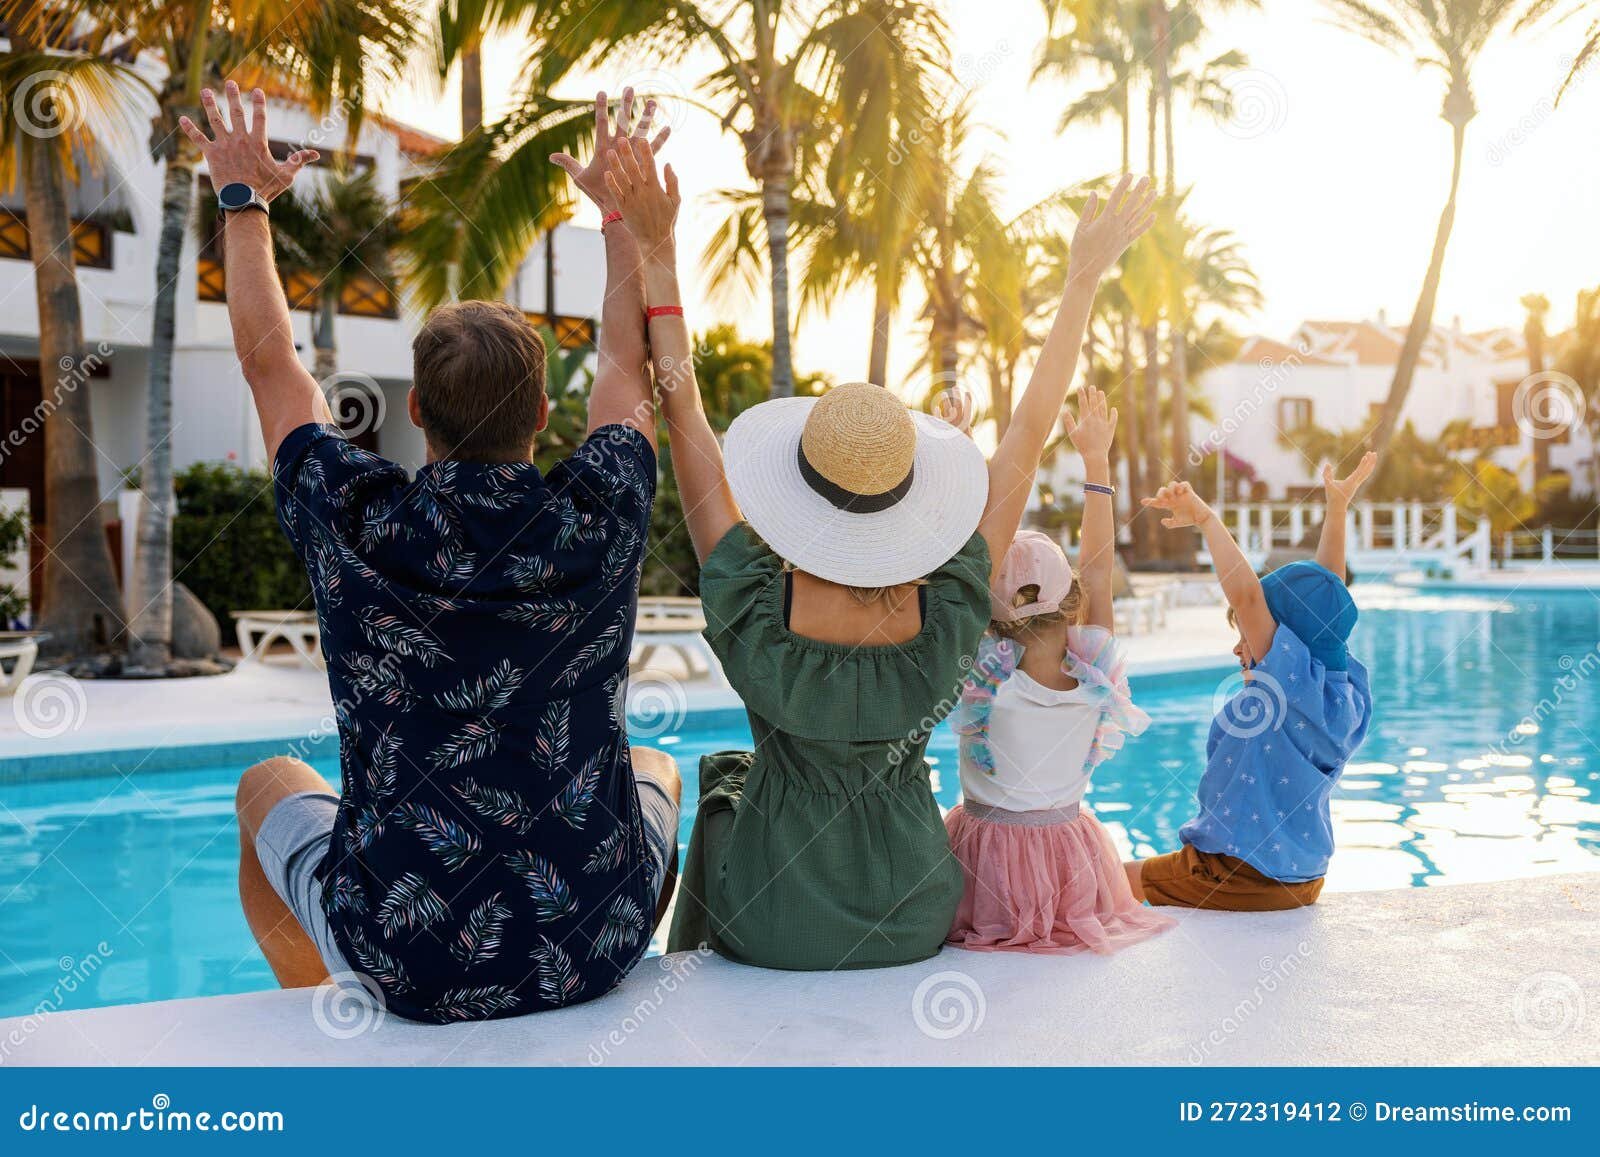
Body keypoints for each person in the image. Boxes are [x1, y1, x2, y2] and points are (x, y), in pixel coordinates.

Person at [182, 84, 679, 1022]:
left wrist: (243, 204)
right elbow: (626, 369)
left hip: (401, 958)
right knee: (658, 766)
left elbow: (269, 361)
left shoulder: (353, 513)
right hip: (593, 943)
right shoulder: (601, 509)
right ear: (541, 414)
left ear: (415, 411)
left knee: (267, 787)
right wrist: (619, 219)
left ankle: (334, 1022)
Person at [598, 133, 1156, 969]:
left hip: (773, 917)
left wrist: (658, 253)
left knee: (724, 782)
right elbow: (1032, 430)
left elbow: (686, 419)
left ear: (799, 487)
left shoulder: (756, 596)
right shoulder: (953, 604)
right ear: (907, 497)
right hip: (911, 912)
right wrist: (1082, 277)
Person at [944, 386, 1174, 954]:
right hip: (1073, 858)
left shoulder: (981, 674)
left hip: (984, 863)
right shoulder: (1095, 668)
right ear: (1069, 596)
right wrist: (1097, 463)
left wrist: (962, 446)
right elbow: (1098, 567)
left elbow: (972, 548)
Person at [1125, 454, 1379, 911]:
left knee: (1108, 879)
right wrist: (1336, 509)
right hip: (1303, 877)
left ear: (1277, 639)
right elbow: (1328, 602)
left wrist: (1206, 518)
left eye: (1245, 634)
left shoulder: (1284, 680)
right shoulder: (1340, 694)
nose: (1240, 648)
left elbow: (1246, 595)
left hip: (1238, 873)